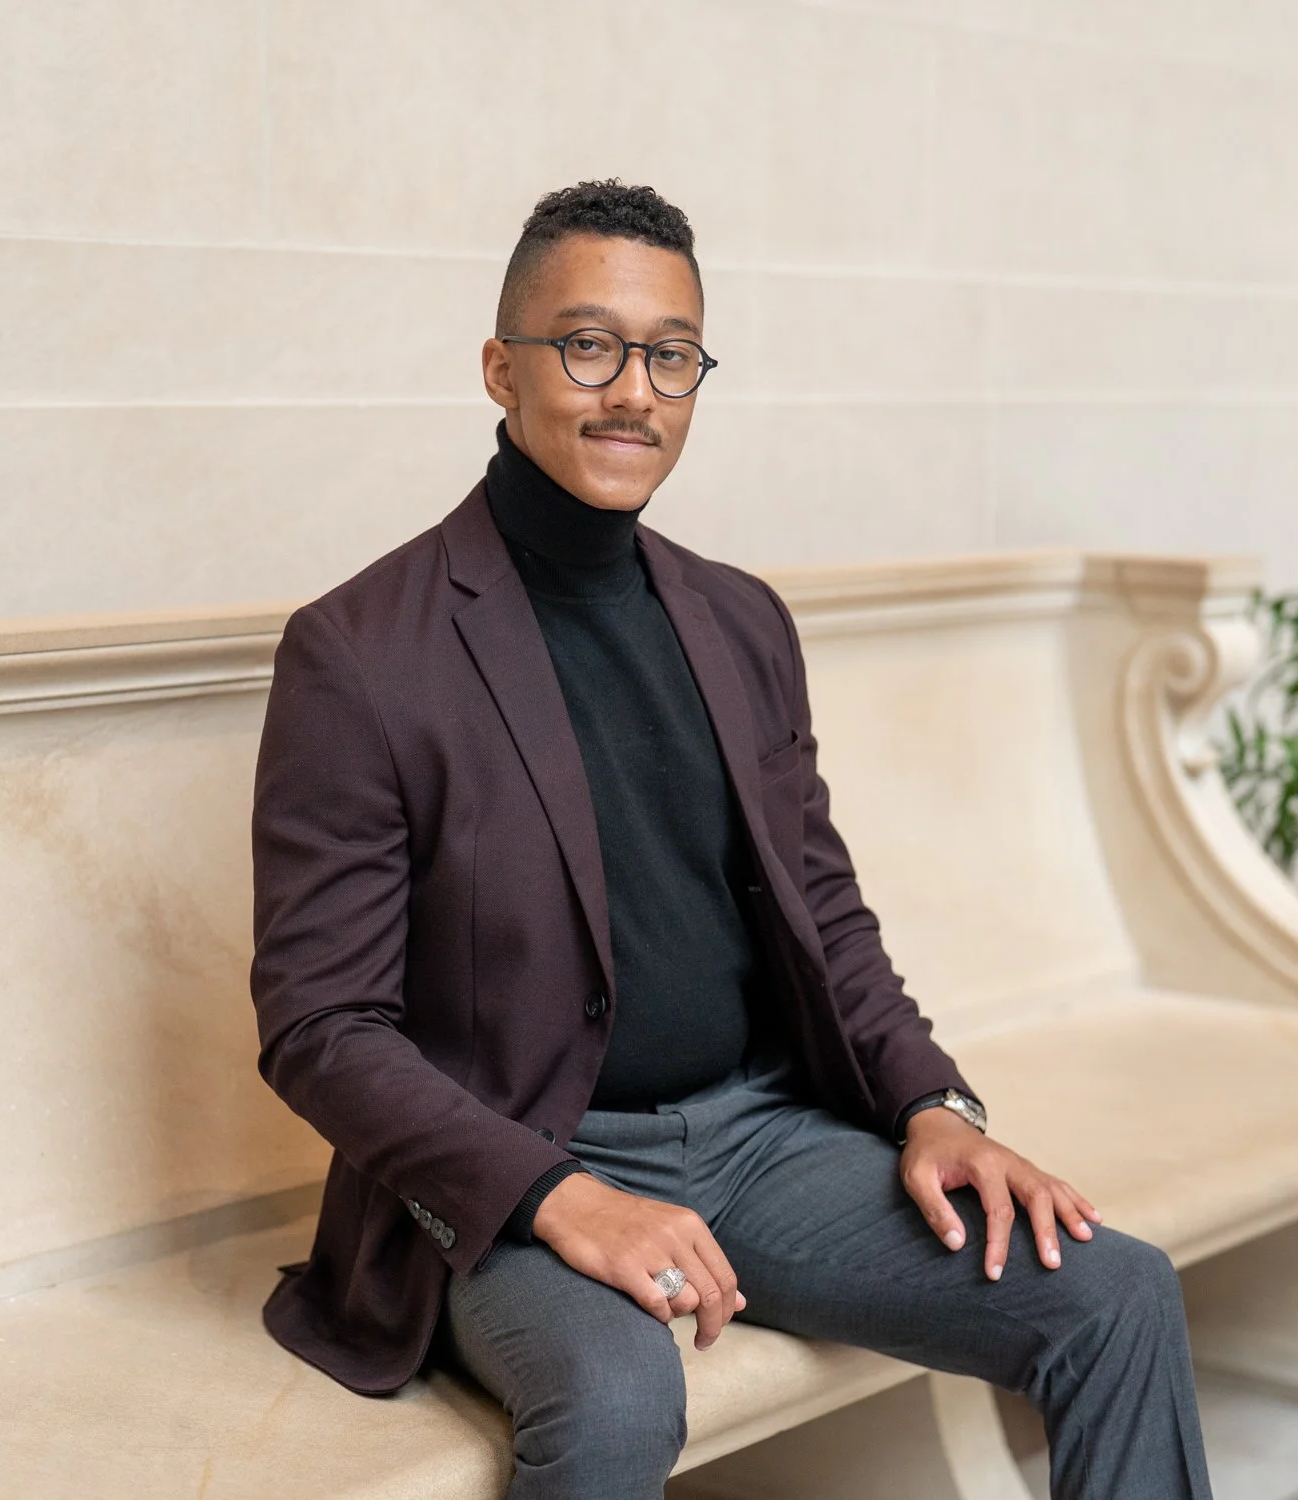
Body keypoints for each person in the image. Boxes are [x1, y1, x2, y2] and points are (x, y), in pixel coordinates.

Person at [249, 179, 1213, 1500]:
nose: (631, 392)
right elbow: (320, 1025)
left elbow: (826, 915)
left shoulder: (741, 620)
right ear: (501, 368)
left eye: (671, 355)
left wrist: (934, 1108)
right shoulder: (360, 652)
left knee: (1115, 1294)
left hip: (762, 1140)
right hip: (524, 1158)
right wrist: (554, 1195)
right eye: (587, 346)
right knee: (615, 1396)